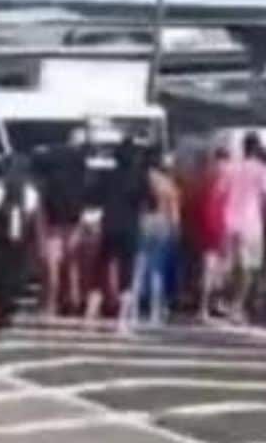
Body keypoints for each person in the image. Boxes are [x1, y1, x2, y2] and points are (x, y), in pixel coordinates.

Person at [219, 133, 266, 323]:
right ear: (258, 148)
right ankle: (237, 305)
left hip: (228, 221)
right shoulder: (263, 171)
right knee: (248, 268)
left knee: (229, 266)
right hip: (251, 223)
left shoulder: (230, 168)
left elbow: (220, 193)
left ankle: (224, 300)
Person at [124, 147, 179, 331]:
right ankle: (155, 311)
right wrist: (174, 230)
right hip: (162, 223)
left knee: (138, 267)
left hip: (144, 221)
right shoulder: (167, 183)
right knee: (157, 270)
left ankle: (133, 310)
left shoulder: (143, 178)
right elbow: (174, 210)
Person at [36, 133, 90, 317]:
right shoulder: (80, 164)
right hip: (74, 215)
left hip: (53, 216)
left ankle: (52, 303)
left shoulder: (51, 163)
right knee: (72, 261)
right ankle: (74, 299)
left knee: (53, 263)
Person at [0, 156, 36, 329]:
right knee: (14, 274)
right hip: (19, 236)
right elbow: (30, 215)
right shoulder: (29, 192)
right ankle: (8, 309)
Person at [90, 139, 142, 322]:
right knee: (126, 271)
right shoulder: (139, 178)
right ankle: (122, 317)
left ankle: (90, 313)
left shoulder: (107, 176)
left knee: (100, 267)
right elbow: (148, 202)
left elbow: (94, 197)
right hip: (130, 227)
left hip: (109, 225)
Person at [195, 147, 230, 322]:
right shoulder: (226, 179)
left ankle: (206, 307)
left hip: (208, 227)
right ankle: (212, 304)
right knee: (219, 270)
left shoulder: (206, 178)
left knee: (210, 268)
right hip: (221, 226)